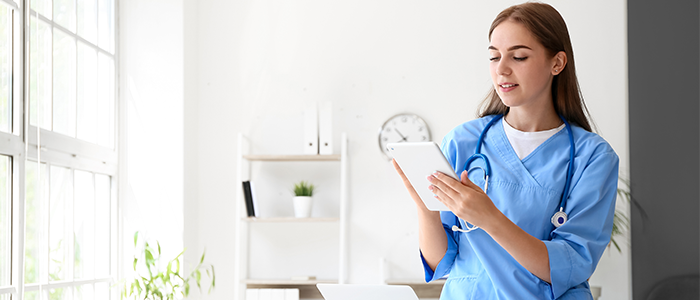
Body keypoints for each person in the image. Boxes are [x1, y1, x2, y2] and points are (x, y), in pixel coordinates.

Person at [392, 3, 619, 299]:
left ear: (557, 63)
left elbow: (571, 265)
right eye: (493, 57)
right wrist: (425, 206)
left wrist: (489, 217)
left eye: (519, 56)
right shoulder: (463, 142)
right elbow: (441, 261)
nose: (501, 69)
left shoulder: (592, 158)